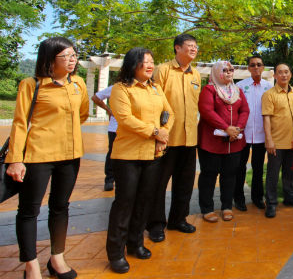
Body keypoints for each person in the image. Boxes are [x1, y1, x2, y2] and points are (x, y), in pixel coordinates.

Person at [6, 37, 89, 279]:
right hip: (37, 156)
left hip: (71, 156)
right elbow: (20, 123)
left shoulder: (79, 84)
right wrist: (15, 159)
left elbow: (82, 114)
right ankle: (30, 264)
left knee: (61, 206)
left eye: (74, 55)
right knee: (29, 210)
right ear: (50, 59)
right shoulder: (31, 85)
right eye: (66, 56)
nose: (72, 60)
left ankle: (57, 258)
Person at [105, 48, 174, 274]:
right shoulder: (121, 89)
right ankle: (116, 253)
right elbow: (125, 119)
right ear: (132, 64)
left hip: (153, 155)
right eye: (145, 61)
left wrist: (163, 133)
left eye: (152, 61)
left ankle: (135, 243)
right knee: (125, 203)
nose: (150, 65)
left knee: (144, 201)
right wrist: (155, 132)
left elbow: (169, 113)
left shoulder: (155, 88)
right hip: (127, 156)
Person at [146, 34, 202, 243]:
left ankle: (178, 219)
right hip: (167, 138)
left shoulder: (195, 74)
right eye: (190, 46)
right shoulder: (162, 70)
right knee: (159, 184)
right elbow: (153, 103)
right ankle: (155, 224)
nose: (194, 49)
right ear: (177, 48)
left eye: (196, 46)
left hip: (189, 139)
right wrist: (158, 133)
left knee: (185, 182)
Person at [197, 61, 249, 222]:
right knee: (209, 175)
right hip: (211, 142)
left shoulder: (237, 90)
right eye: (224, 70)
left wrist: (238, 128)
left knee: (230, 175)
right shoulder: (209, 89)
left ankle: (227, 206)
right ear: (216, 72)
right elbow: (206, 111)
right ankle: (207, 209)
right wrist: (226, 127)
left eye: (231, 70)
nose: (228, 73)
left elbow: (245, 110)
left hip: (234, 141)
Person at [262, 63, 293, 218]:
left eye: (286, 72)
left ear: (290, 74)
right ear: (275, 75)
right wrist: (269, 140)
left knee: (290, 173)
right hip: (277, 142)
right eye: (280, 72)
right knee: (273, 175)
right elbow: (266, 119)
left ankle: (290, 198)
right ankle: (271, 203)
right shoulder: (269, 95)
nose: (283, 75)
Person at [234, 55, 273, 210]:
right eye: (252, 65)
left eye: (259, 64)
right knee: (240, 167)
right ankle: (238, 198)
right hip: (243, 133)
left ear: (263, 67)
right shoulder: (240, 86)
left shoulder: (269, 87)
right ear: (249, 68)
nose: (256, 67)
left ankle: (257, 197)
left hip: (261, 134)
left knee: (257, 168)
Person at [91, 85, 117, 191]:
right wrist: (108, 110)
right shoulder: (116, 88)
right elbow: (96, 97)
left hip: (134, 129)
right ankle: (109, 180)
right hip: (116, 128)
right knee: (112, 153)